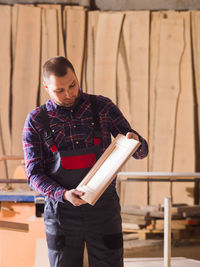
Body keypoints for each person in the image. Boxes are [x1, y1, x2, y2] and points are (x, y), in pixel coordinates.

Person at [22, 56, 148, 267]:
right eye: (59, 90)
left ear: (77, 78)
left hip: (104, 210)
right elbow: (33, 175)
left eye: (72, 85)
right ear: (46, 87)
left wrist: (136, 142)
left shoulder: (103, 107)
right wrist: (63, 194)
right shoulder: (36, 120)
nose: (69, 94)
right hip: (62, 212)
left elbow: (141, 153)